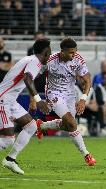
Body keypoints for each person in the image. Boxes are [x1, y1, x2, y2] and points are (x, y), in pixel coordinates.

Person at [34, 37, 96, 166]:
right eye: (71, 52)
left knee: (69, 125)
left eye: (75, 51)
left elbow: (88, 80)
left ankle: (42, 126)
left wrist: (83, 99)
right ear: (62, 52)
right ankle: (86, 155)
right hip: (54, 93)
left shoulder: (78, 60)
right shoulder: (50, 61)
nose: (74, 54)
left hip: (70, 95)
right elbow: (33, 77)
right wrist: (33, 98)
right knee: (72, 123)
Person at [0, 39, 51, 175]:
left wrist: (32, 100)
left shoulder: (31, 60)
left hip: (10, 101)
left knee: (31, 126)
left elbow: (28, 79)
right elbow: (28, 79)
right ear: (45, 52)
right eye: (49, 52)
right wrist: (38, 100)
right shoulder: (35, 61)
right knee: (7, 139)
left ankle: (10, 159)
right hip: (2, 99)